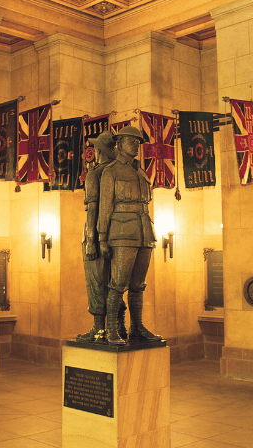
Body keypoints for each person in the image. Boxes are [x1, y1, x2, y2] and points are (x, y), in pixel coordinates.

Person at [98, 126, 162, 345]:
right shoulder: (112, 171)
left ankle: (137, 328)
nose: (136, 145)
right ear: (120, 144)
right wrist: (102, 237)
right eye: (131, 141)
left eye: (138, 142)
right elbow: (105, 206)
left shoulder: (140, 170)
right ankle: (111, 330)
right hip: (122, 230)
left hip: (144, 229)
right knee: (118, 283)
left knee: (138, 284)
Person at [76, 131, 127, 342]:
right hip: (118, 234)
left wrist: (90, 239)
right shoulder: (121, 171)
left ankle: (98, 328)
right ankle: (119, 326)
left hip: (97, 235)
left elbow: (93, 210)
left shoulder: (95, 174)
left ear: (98, 151)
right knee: (116, 283)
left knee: (96, 281)